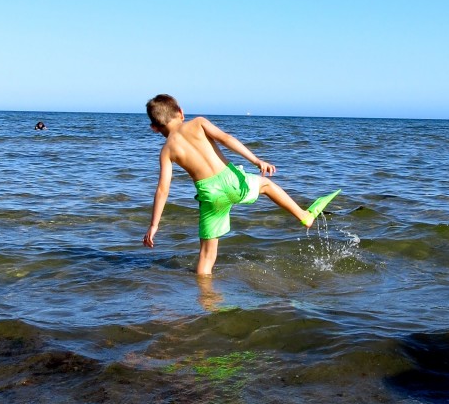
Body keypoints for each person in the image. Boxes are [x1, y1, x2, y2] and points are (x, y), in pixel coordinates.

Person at [142, 94, 332, 276]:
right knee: (266, 185)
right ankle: (303, 216)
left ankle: (207, 300)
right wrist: (256, 161)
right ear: (181, 112)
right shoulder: (198, 122)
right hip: (231, 181)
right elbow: (226, 139)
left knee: (206, 256)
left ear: (154, 128)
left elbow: (163, 189)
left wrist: (154, 225)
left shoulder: (167, 151)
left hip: (210, 194)